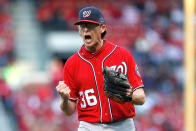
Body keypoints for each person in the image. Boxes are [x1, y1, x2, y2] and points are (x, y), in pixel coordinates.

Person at [56, 6, 146, 131]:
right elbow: (69, 111)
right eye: (82, 26)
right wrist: (65, 100)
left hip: (122, 124)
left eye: (91, 26)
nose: (86, 29)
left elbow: (141, 98)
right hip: (88, 126)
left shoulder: (123, 55)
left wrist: (128, 95)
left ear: (102, 28)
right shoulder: (71, 64)